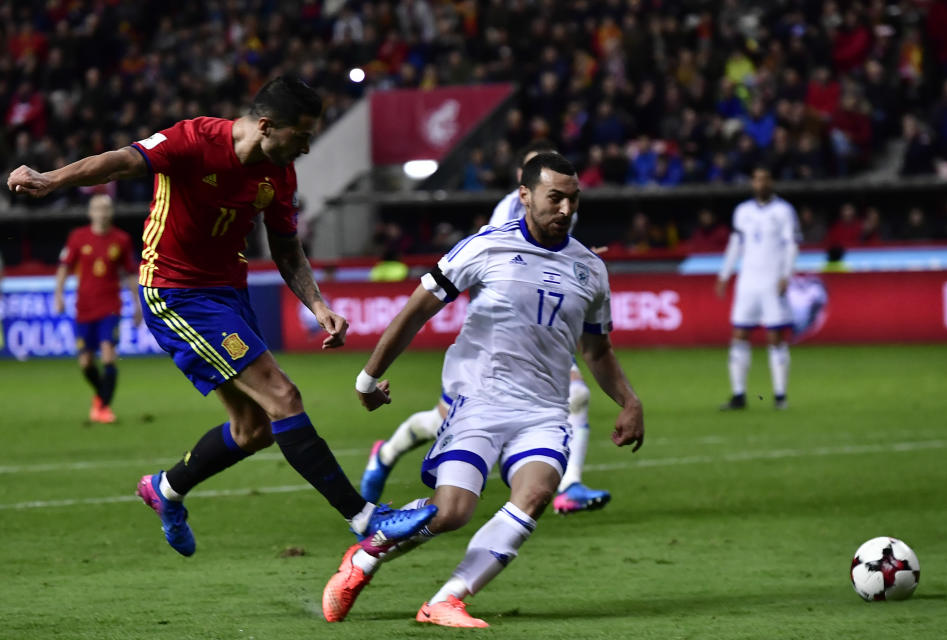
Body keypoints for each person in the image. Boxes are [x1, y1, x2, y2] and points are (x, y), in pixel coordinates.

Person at [6, 75, 436, 558]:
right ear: (268, 126)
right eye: (302, 135)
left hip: (228, 294)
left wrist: (317, 306)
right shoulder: (193, 140)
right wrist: (52, 178)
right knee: (282, 396)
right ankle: (366, 518)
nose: (308, 147)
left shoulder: (279, 174)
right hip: (177, 294)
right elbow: (121, 161)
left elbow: (288, 250)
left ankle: (165, 489)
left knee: (253, 429)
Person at [322, 152, 645, 627]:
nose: (565, 210)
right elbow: (417, 311)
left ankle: (447, 599)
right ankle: (365, 557)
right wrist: (368, 377)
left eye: (572, 200)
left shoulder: (590, 270)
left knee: (534, 495)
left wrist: (629, 400)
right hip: (478, 399)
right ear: (525, 196)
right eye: (554, 198)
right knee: (452, 512)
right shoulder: (484, 248)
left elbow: (596, 350)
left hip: (544, 410)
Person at [361, 140, 612, 515]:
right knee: (444, 420)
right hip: (497, 334)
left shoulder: (561, 208)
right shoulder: (506, 217)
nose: (562, 202)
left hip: (536, 332)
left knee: (574, 396)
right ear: (523, 185)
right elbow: (496, 268)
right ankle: (387, 454)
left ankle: (569, 485)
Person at [715, 166, 800, 410]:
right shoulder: (742, 211)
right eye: (757, 179)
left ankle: (780, 396)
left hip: (772, 280)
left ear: (771, 181)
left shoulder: (784, 211)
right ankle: (739, 395)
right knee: (739, 334)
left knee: (775, 337)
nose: (760, 183)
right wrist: (724, 274)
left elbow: (791, 245)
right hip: (748, 282)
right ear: (752, 182)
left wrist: (786, 274)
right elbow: (735, 244)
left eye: (765, 179)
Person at [54, 194, 140, 423]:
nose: (102, 212)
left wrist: (138, 304)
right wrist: (58, 295)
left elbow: (130, 274)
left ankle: (103, 407)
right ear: (90, 212)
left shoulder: (121, 239)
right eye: (98, 208)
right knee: (86, 362)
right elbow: (64, 267)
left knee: (109, 355)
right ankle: (102, 396)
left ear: (111, 212)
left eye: (106, 208)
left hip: (111, 306)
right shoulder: (78, 237)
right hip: (84, 307)